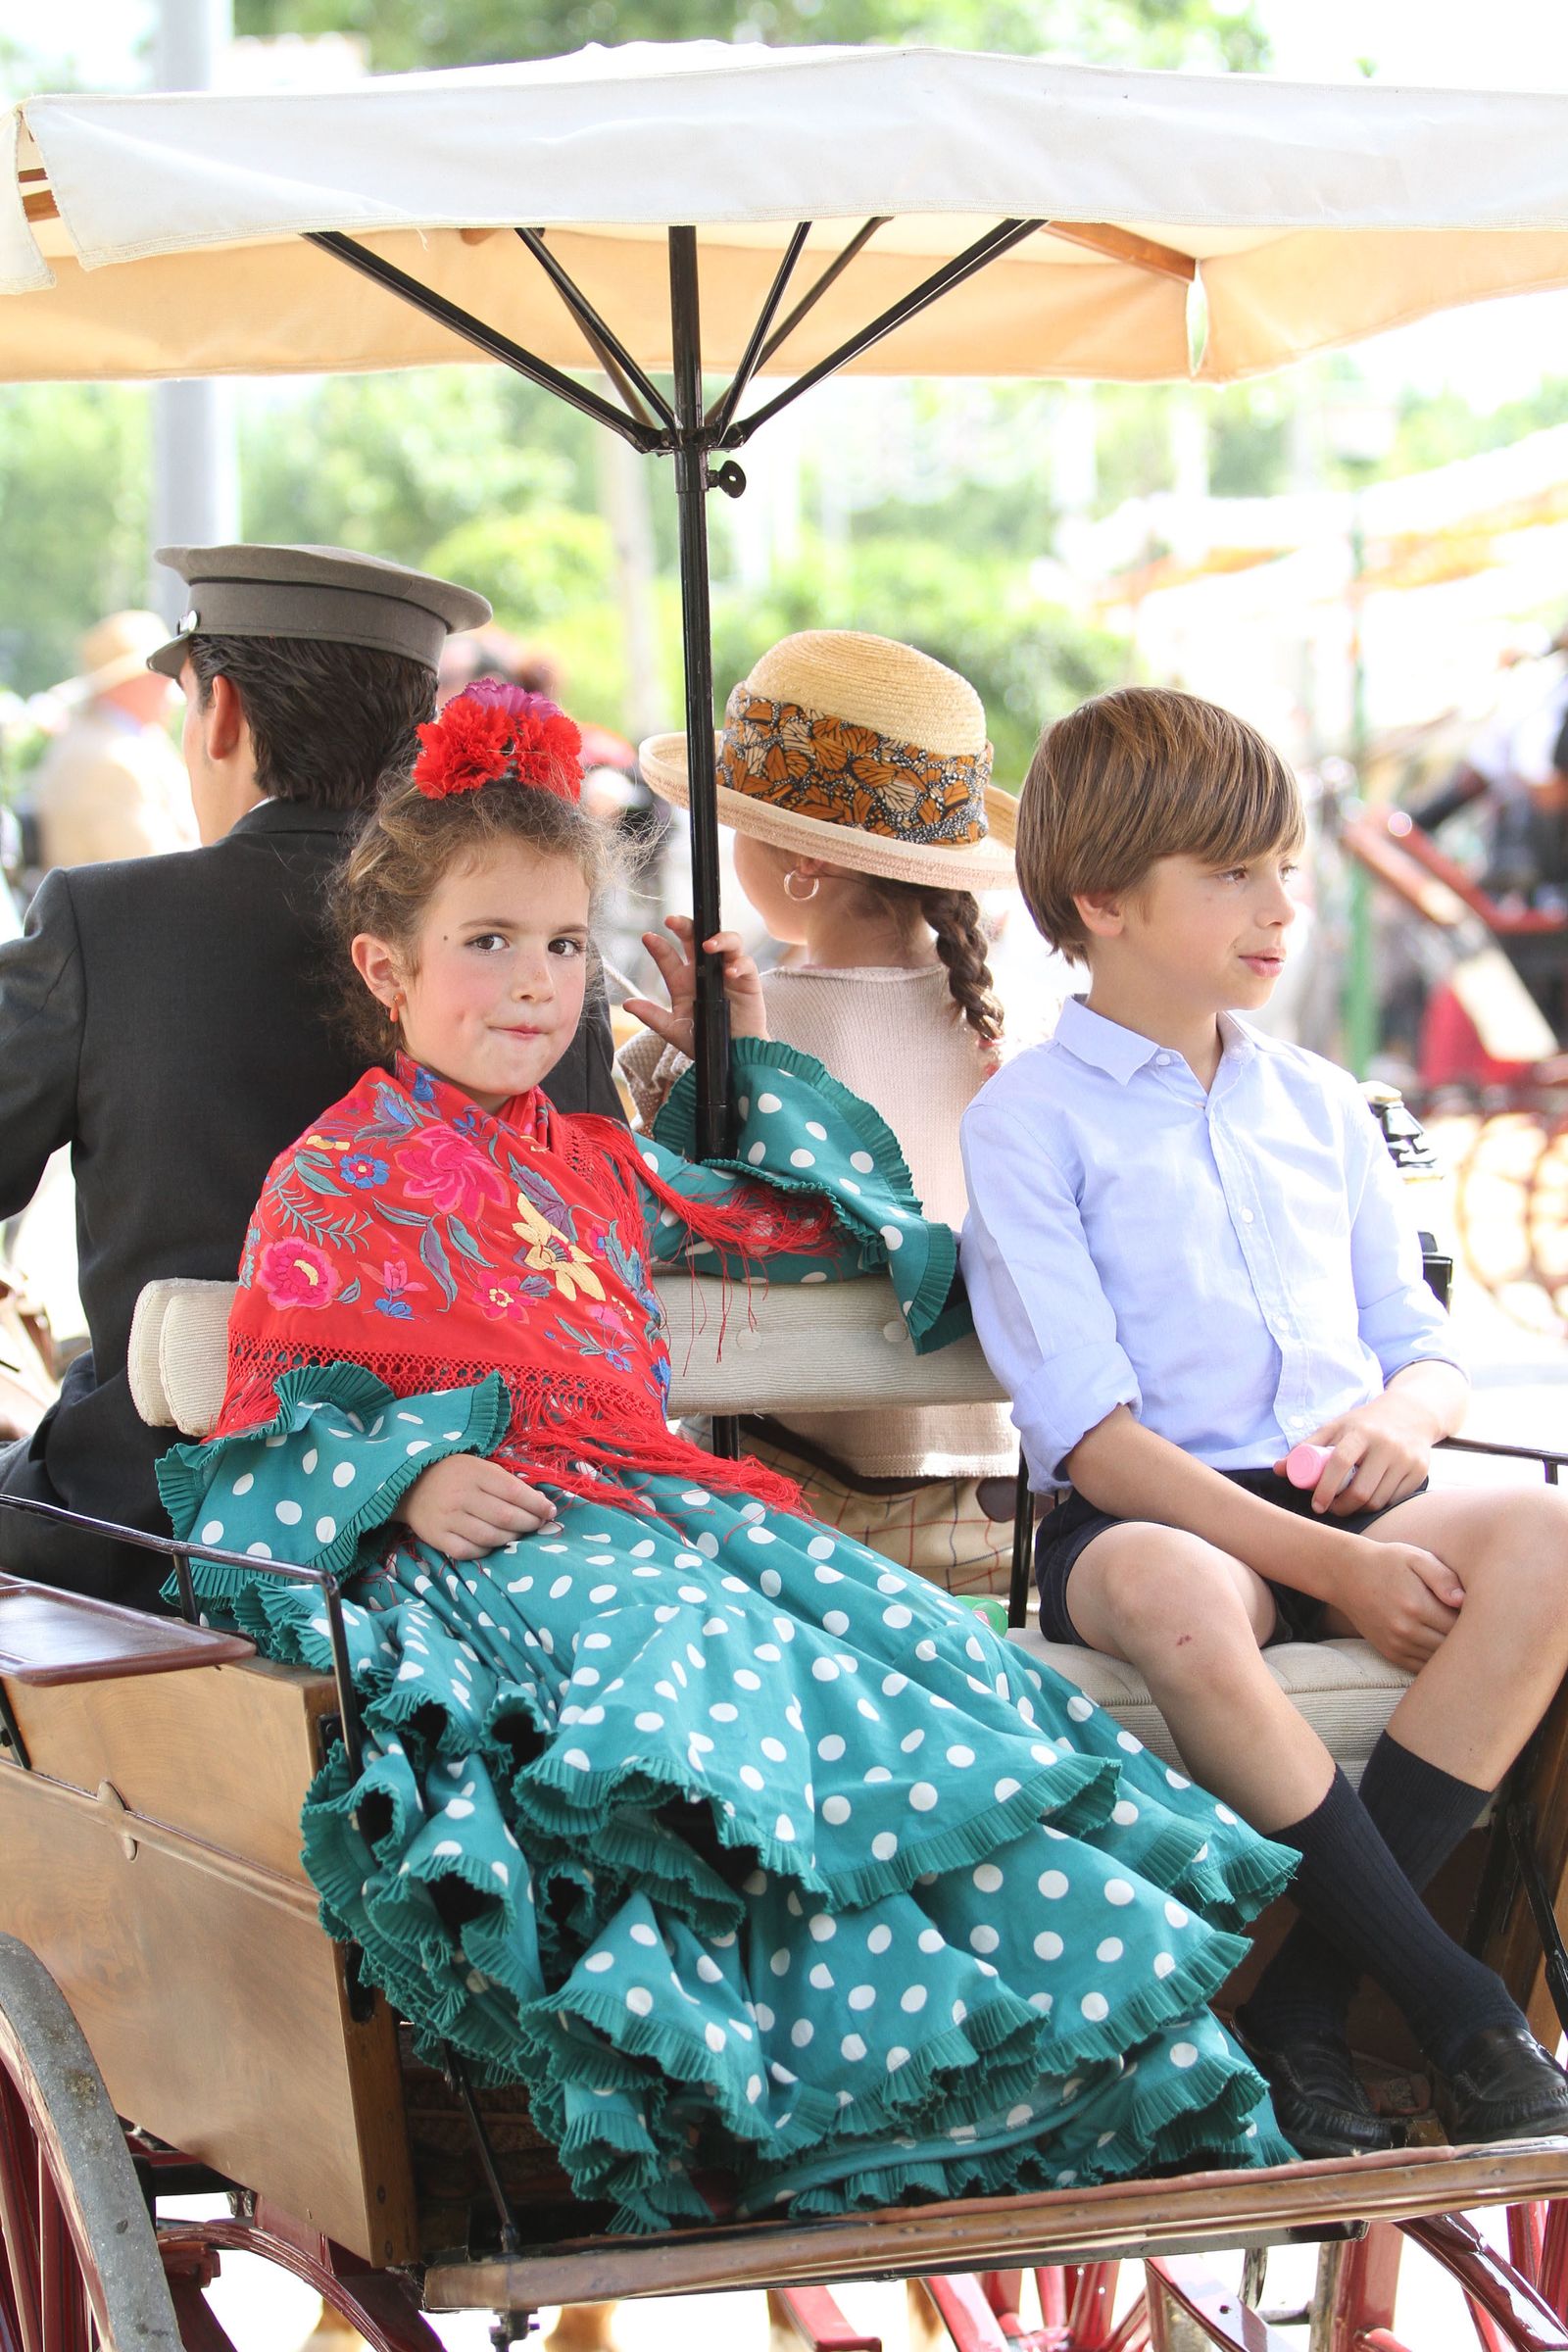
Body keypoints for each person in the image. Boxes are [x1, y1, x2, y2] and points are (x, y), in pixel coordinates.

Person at [158, 679, 1298, 2229]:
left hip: (651, 1515)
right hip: (480, 1548)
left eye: (565, 946)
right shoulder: (333, 1175)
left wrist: (734, 1053)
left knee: (892, 1646)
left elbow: (800, 1223)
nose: (534, 983)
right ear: (389, 964)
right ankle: (745, 2082)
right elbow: (274, 1419)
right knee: (695, 1648)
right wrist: (409, 1477)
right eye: (488, 943)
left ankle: (991, 2056)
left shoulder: (596, 1158)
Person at [959, 684, 1568, 2160]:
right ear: (1100, 899)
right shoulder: (1031, 1118)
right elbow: (1088, 1436)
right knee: (1175, 1596)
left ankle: (1302, 2003)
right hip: (1155, 1512)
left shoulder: (1320, 1104)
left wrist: (1406, 1428)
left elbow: (1426, 1352)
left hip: (1345, 1486)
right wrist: (1337, 1567)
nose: (1278, 903)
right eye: (1231, 873)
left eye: (1284, 865)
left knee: (1551, 1535)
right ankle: (1455, 2004)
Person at [0, 544, 621, 1610]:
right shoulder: (542, 958)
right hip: (510, 1526)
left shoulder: (103, 921)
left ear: (223, 714)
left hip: (163, 1526)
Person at [621, 631, 1020, 1594]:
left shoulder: (740, 1030)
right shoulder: (1003, 1028)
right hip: (997, 1518)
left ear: (804, 862)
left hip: (792, 1525)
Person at [29, 609, 198, 870]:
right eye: (161, 674)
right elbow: (157, 872)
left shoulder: (125, 742)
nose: (172, 684)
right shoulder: (108, 761)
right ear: (130, 682)